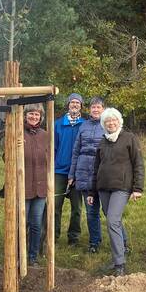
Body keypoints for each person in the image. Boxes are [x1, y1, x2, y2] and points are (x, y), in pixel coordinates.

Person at [88, 107, 145, 276]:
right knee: (113, 219)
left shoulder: (129, 138)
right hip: (104, 187)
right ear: (103, 124)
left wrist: (138, 188)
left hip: (122, 187)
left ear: (119, 121)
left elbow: (138, 163)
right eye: (107, 121)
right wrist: (92, 192)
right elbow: (96, 167)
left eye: (114, 120)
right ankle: (124, 245)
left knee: (112, 220)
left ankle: (119, 263)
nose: (111, 123)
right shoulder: (102, 141)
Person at [68, 96, 106, 253]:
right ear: (89, 109)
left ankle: (122, 243)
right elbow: (76, 151)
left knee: (109, 211)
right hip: (84, 172)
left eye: (98, 107)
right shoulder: (83, 126)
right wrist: (72, 174)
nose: (95, 110)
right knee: (91, 211)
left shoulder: (108, 124)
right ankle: (94, 242)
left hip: (103, 173)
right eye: (93, 107)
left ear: (103, 109)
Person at [53, 93, 85, 245]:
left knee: (77, 208)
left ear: (81, 106)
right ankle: (53, 236)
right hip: (59, 171)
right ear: (68, 105)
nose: (74, 105)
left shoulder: (84, 125)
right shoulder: (58, 124)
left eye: (77, 103)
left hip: (78, 173)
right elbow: (52, 148)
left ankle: (73, 238)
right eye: (72, 102)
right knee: (55, 206)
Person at [23, 103, 50, 265]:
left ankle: (33, 257)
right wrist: (15, 147)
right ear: (25, 115)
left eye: (37, 115)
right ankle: (19, 255)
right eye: (31, 114)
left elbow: (50, 158)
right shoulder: (18, 133)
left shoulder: (45, 135)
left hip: (41, 187)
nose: (34, 117)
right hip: (24, 186)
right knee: (22, 222)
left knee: (36, 224)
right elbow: (7, 159)